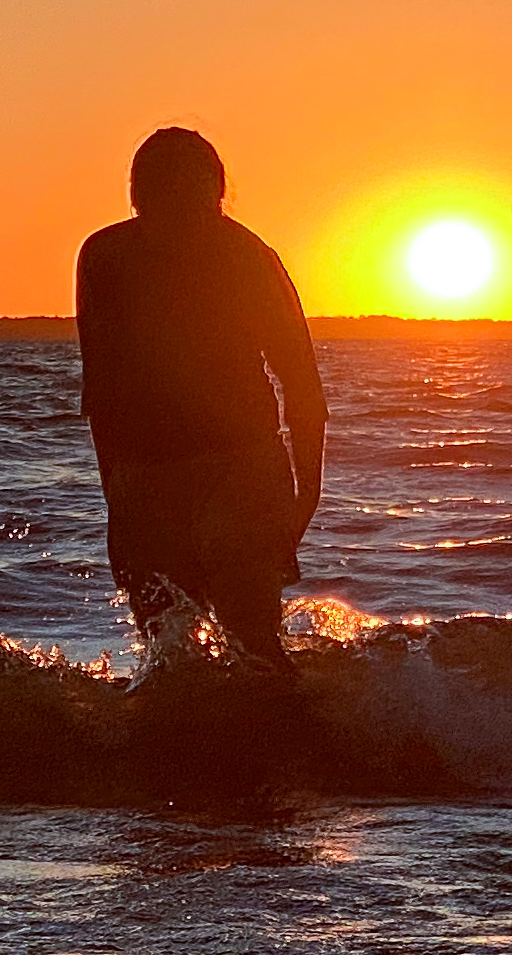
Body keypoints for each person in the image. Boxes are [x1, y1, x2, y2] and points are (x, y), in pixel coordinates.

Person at [75, 128, 325, 675]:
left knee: (177, 658)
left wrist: (116, 494)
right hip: (206, 476)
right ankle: (292, 749)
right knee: (249, 652)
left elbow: (102, 393)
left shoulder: (110, 254)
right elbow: (303, 385)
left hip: (206, 474)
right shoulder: (241, 253)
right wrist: (304, 491)